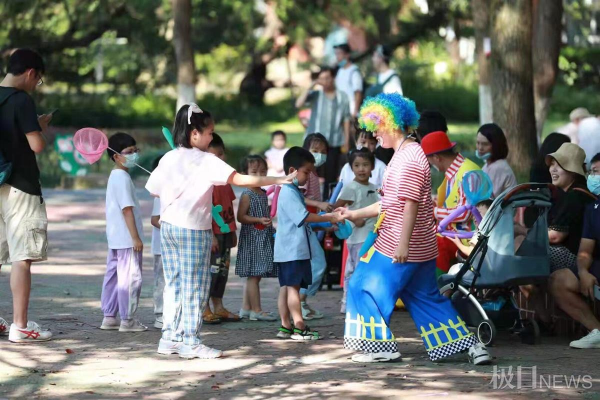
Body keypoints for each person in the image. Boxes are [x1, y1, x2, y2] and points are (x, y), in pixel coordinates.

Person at [338, 93, 490, 364]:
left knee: (362, 285)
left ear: (391, 124)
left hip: (401, 244)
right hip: (420, 246)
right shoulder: (406, 154)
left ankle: (379, 347)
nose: (374, 134)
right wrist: (353, 213)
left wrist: (403, 245)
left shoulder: (408, 158)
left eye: (376, 128)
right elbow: (390, 203)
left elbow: (410, 204)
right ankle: (473, 348)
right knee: (425, 298)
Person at [145, 103, 293, 359]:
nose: (212, 137)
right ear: (194, 134)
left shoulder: (169, 157)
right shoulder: (207, 161)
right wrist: (279, 179)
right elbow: (241, 180)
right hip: (193, 228)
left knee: (174, 284)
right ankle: (190, 341)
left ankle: (169, 337)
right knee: (195, 285)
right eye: (210, 132)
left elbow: (153, 190)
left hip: (168, 227)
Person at [0, 48, 53, 343]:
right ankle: (19, 325)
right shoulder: (21, 100)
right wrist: (39, 127)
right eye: (38, 80)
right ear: (31, 73)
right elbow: (36, 146)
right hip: (20, 186)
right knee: (22, 257)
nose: (36, 85)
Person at [523, 143, 596, 335]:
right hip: (579, 256)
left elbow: (555, 235)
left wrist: (525, 234)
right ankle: (543, 319)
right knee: (523, 260)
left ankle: (544, 320)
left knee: (520, 259)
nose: (553, 169)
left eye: (560, 165)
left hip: (575, 257)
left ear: (573, 171)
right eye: (552, 164)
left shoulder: (575, 197)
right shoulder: (575, 194)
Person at [274, 147, 341, 340]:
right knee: (294, 289)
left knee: (286, 288)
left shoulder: (290, 191)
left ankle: (286, 326)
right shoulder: (289, 192)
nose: (309, 176)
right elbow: (304, 217)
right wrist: (328, 217)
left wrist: (324, 223)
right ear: (292, 170)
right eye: (306, 172)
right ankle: (299, 326)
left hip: (287, 250)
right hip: (293, 250)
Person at [100, 133, 147, 333]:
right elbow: (127, 209)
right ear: (116, 156)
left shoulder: (115, 176)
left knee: (114, 276)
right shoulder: (122, 178)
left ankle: (109, 316)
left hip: (116, 238)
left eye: (135, 151)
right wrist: (135, 237)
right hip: (127, 239)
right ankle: (128, 320)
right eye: (129, 152)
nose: (134, 155)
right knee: (130, 278)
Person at [420, 131, 481, 274]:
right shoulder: (454, 172)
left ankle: (439, 285)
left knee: (430, 244)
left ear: (437, 158)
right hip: (455, 233)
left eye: (429, 161)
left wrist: (433, 211)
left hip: (469, 237)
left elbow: (465, 213)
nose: (429, 165)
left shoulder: (467, 173)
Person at [333, 148, 379, 313]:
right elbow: (336, 210)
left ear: (372, 166)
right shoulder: (351, 188)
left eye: (365, 165)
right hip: (357, 238)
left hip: (372, 237)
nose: (361, 169)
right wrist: (353, 219)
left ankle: (362, 303)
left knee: (366, 271)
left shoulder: (374, 187)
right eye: (357, 165)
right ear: (351, 167)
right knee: (355, 271)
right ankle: (348, 304)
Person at [296, 67, 351, 199]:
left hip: (334, 142)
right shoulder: (316, 95)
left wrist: (347, 140)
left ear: (333, 78)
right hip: (313, 144)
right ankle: (306, 199)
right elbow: (299, 104)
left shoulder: (342, 97)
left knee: (331, 176)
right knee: (308, 172)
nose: (325, 81)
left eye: (327, 78)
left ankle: (327, 201)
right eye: (321, 79)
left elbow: (346, 119)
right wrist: (312, 85)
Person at [563, 152, 600, 348]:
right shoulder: (593, 209)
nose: (593, 177)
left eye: (597, 172)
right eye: (592, 172)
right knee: (559, 280)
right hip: (597, 266)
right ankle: (597, 332)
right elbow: (585, 249)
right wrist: (583, 271)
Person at [203, 134, 240, 324]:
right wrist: (211, 235)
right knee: (211, 271)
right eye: (215, 155)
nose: (220, 158)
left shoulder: (225, 180)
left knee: (222, 271)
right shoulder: (205, 181)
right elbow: (204, 210)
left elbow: (229, 206)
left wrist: (233, 230)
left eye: (221, 154)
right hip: (213, 234)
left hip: (226, 232)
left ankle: (219, 306)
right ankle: (205, 307)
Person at [236, 155, 277, 322]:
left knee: (255, 275)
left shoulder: (263, 193)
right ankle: (257, 310)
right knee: (254, 275)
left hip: (263, 237)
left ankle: (246, 308)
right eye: (254, 172)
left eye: (263, 172)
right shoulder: (247, 194)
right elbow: (241, 217)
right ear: (244, 174)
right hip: (252, 239)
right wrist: (258, 219)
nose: (259, 175)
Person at [298, 133, 332, 320]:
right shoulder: (306, 174)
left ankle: (302, 303)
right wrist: (319, 205)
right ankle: (300, 302)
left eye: (323, 151)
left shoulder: (314, 174)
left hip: (308, 224)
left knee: (310, 264)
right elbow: (298, 198)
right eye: (315, 150)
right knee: (318, 263)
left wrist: (324, 224)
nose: (319, 154)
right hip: (302, 224)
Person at [475, 123, 517, 198]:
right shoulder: (487, 165)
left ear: (496, 145)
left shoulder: (498, 167)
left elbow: (488, 199)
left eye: (485, 144)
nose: (480, 148)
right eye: (478, 143)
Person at [150, 155, 165, 330]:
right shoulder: (159, 196)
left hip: (173, 245)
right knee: (161, 280)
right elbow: (155, 220)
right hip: (161, 247)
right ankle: (160, 314)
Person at [333, 43, 363, 119]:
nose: (337, 57)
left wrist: (355, 111)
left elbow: (358, 92)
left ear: (347, 55)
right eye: (336, 54)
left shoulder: (354, 71)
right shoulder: (339, 71)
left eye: (339, 53)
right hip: (340, 110)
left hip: (351, 111)